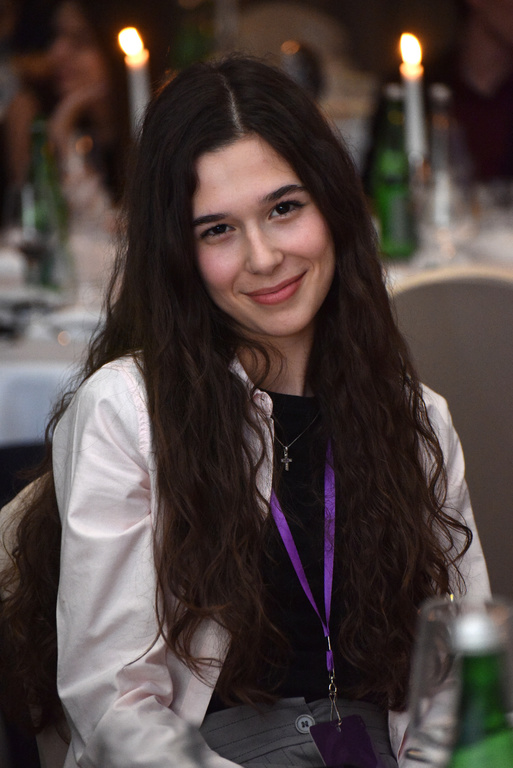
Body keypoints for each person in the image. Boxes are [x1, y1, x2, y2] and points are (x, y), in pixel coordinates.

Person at [0, 56, 490, 768]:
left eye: (284, 208)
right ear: (178, 252)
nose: (263, 257)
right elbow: (114, 707)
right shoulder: (127, 413)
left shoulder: (416, 418)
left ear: (333, 206)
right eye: (217, 230)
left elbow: (456, 684)